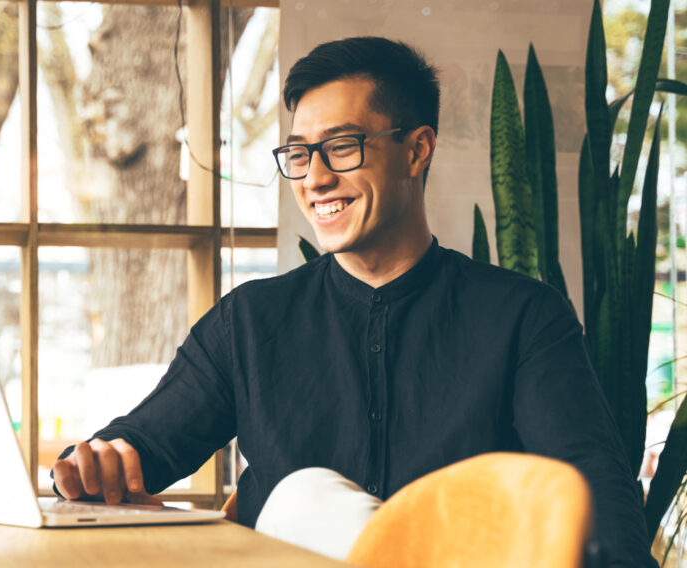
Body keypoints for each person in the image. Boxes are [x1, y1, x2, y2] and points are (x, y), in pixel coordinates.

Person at [51, 37, 655, 566]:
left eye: (341, 147)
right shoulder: (250, 322)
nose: (314, 178)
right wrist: (95, 464)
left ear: (417, 150)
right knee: (303, 496)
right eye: (298, 153)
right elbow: (141, 447)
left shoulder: (523, 317)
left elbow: (594, 489)